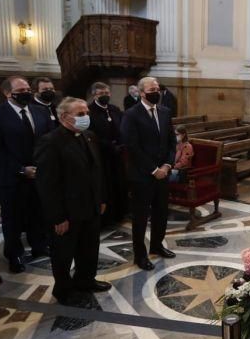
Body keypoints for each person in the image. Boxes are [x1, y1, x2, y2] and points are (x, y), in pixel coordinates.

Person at [35, 97, 111, 304]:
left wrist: (101, 198)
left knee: (89, 248)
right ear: (63, 117)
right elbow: (47, 184)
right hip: (67, 211)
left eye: (86, 113)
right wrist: (58, 217)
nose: (86, 117)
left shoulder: (89, 136)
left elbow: (97, 170)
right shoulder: (51, 141)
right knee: (63, 253)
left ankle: (86, 280)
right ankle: (63, 290)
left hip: (91, 206)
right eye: (80, 114)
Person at [0, 76, 52, 273]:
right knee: (12, 218)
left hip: (38, 174)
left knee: (37, 213)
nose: (26, 93)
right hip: (9, 176)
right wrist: (21, 169)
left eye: (28, 89)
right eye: (21, 90)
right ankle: (14, 255)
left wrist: (43, 166)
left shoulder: (40, 111)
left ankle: (39, 245)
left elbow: (48, 141)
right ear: (7, 93)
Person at [120, 76, 177, 270]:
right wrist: (153, 170)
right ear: (142, 93)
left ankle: (157, 245)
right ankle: (140, 255)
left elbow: (171, 142)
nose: (156, 92)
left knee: (161, 212)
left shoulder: (165, 111)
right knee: (141, 217)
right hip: (142, 175)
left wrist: (167, 166)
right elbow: (132, 147)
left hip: (163, 172)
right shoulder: (131, 114)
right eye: (152, 89)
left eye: (157, 89)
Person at [88, 82, 127, 224]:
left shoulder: (114, 109)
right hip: (101, 155)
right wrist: (109, 146)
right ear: (94, 94)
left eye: (106, 93)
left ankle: (120, 214)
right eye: (101, 93)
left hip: (117, 154)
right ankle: (106, 218)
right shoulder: (89, 111)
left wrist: (121, 143)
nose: (104, 96)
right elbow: (92, 134)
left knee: (119, 183)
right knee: (106, 185)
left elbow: (122, 127)